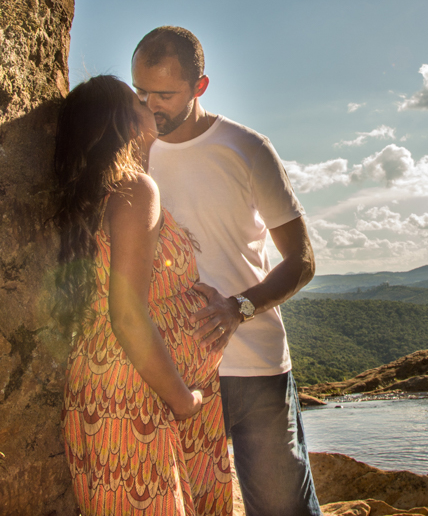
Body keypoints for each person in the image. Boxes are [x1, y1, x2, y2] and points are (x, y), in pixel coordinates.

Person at [131, 26, 322, 516]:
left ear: (201, 86)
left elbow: (302, 261)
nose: (152, 106)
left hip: (254, 367)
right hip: (175, 372)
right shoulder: (135, 154)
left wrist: (240, 308)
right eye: (142, 92)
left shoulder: (247, 148)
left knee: (284, 510)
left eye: (165, 94)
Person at [54, 75, 232, 516]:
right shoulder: (133, 189)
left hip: (122, 384)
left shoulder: (96, 191)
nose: (150, 105)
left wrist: (185, 290)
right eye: (138, 102)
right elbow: (128, 314)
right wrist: (183, 399)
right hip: (139, 392)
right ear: (121, 122)